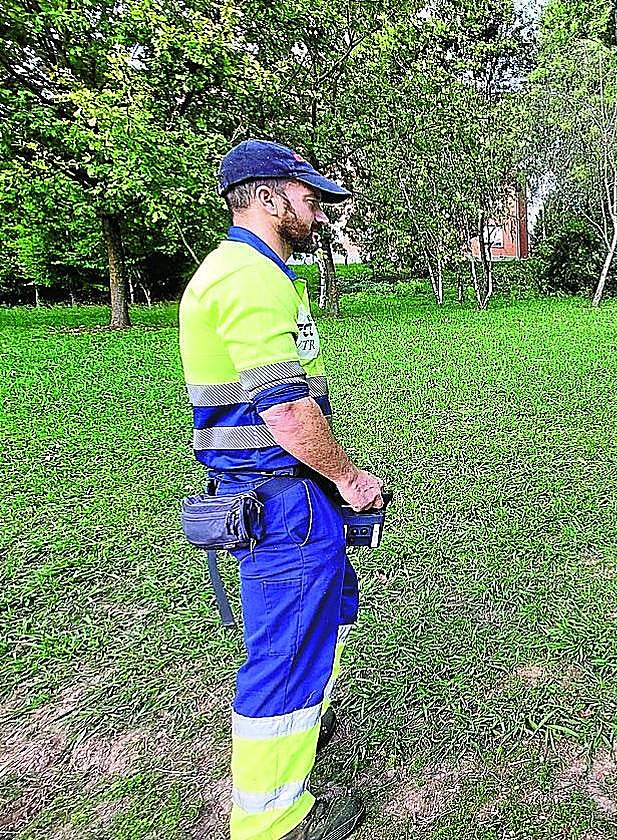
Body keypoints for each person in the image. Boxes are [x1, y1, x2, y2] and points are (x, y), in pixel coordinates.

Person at [179, 139, 383, 840]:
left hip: (290, 491)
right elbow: (286, 410)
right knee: (286, 652)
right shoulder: (246, 276)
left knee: (328, 614)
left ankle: (309, 727)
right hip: (280, 496)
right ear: (268, 198)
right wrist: (350, 480)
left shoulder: (258, 272)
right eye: (308, 198)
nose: (318, 213)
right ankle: (271, 824)